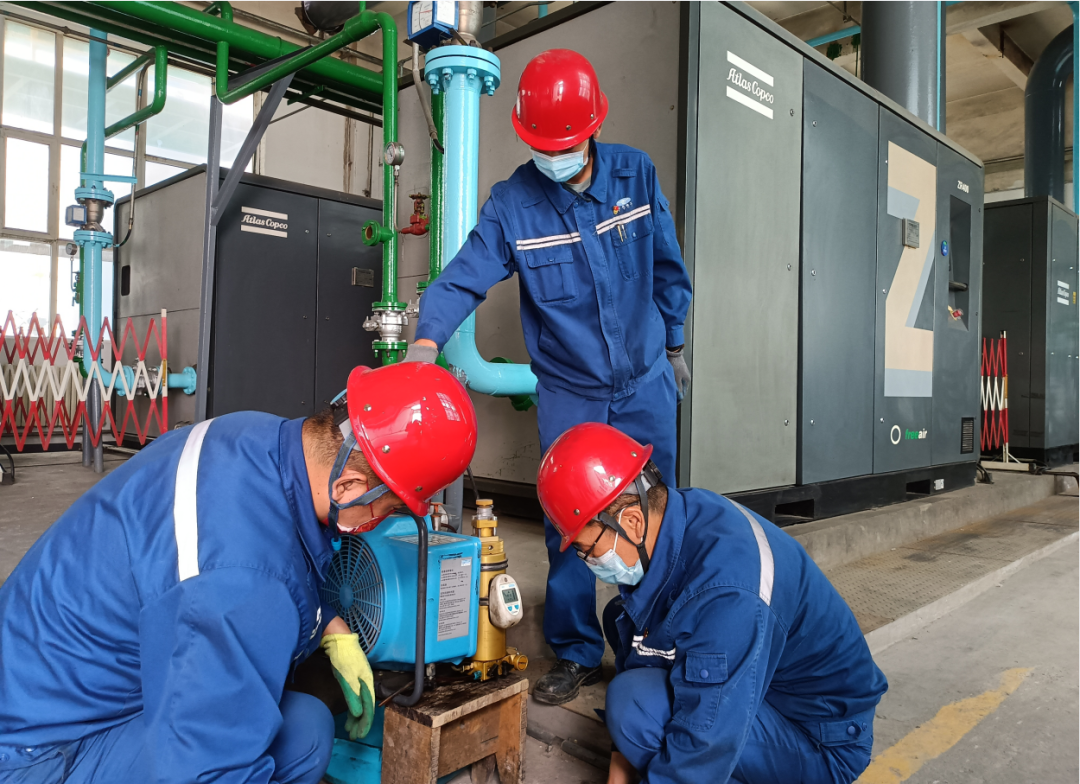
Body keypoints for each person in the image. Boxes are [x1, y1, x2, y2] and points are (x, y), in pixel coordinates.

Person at [0, 363, 477, 784]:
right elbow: (202, 768)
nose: (382, 520)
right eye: (388, 508)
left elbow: (280, 546)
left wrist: (328, 622)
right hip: (37, 751)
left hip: (53, 678)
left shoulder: (257, 436)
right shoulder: (242, 582)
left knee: (305, 730)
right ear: (349, 485)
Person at [403, 48, 693, 705]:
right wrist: (425, 340)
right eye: (541, 147)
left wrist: (675, 344)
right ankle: (577, 650)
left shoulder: (636, 174)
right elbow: (464, 276)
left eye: (564, 146)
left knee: (655, 514)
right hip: (571, 391)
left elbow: (667, 267)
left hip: (646, 382)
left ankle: (657, 643)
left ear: (594, 127)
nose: (554, 157)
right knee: (570, 521)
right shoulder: (513, 205)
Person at [535, 422, 888, 784]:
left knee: (635, 708)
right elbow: (638, 645)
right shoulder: (680, 517)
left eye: (588, 549)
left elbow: (705, 742)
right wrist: (619, 774)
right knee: (620, 618)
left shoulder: (727, 594)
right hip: (771, 693)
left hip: (821, 740)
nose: (590, 562)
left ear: (633, 521)